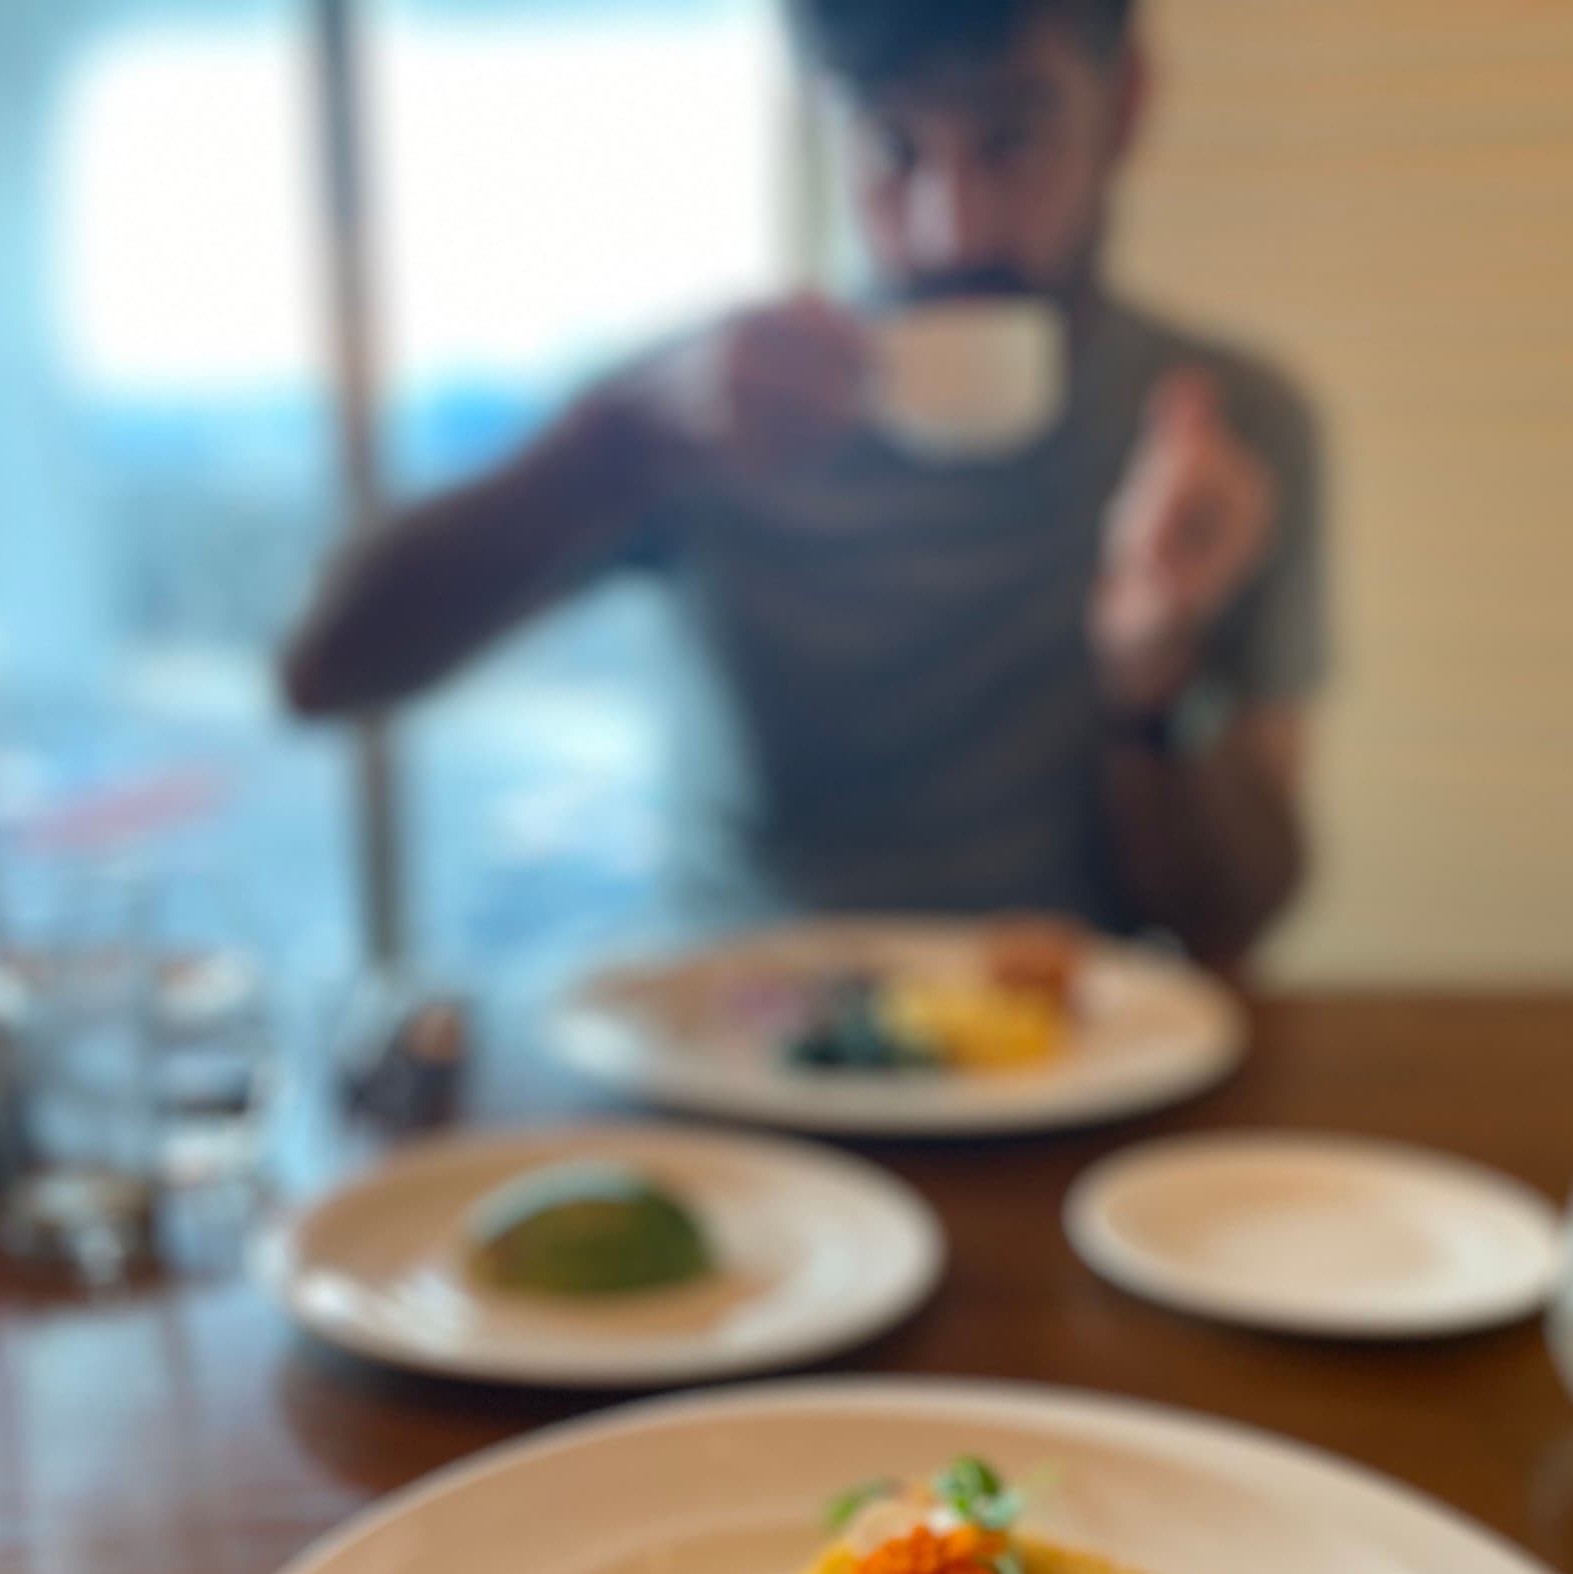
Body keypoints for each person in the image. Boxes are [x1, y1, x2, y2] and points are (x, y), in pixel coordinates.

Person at [282, 0, 1326, 967]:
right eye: (893, 149)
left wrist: (1155, 671)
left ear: (1125, 107)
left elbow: (1232, 922)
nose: (947, 228)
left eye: (1009, 141)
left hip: (1066, 1054)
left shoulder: (1220, 431)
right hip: (730, 1040)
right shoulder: (703, 405)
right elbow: (324, 671)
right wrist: (615, 449)